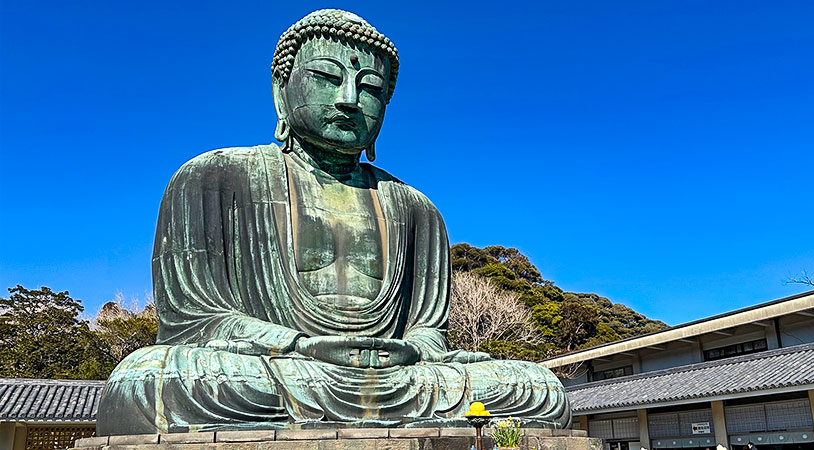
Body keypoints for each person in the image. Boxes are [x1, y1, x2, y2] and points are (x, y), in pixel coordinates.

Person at [96, 9, 570, 435]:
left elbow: (428, 331)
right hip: (280, 369)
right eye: (327, 77)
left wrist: (412, 349)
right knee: (150, 380)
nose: (349, 100)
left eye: (371, 89)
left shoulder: (417, 209)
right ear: (281, 92)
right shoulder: (213, 178)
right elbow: (195, 323)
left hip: (397, 377)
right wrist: (299, 345)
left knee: (538, 387)